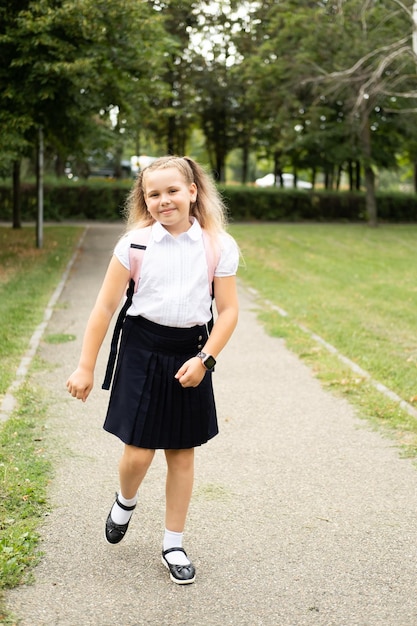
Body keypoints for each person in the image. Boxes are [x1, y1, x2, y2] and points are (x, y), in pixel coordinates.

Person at [66, 155, 239, 585]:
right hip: (142, 349)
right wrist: (85, 367)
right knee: (139, 452)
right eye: (153, 194)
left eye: (172, 191)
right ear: (144, 199)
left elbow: (229, 310)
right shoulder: (135, 244)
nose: (164, 200)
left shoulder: (218, 245)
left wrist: (205, 360)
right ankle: (125, 501)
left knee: (181, 454)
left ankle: (173, 543)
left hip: (191, 354)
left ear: (193, 191)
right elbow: (105, 308)